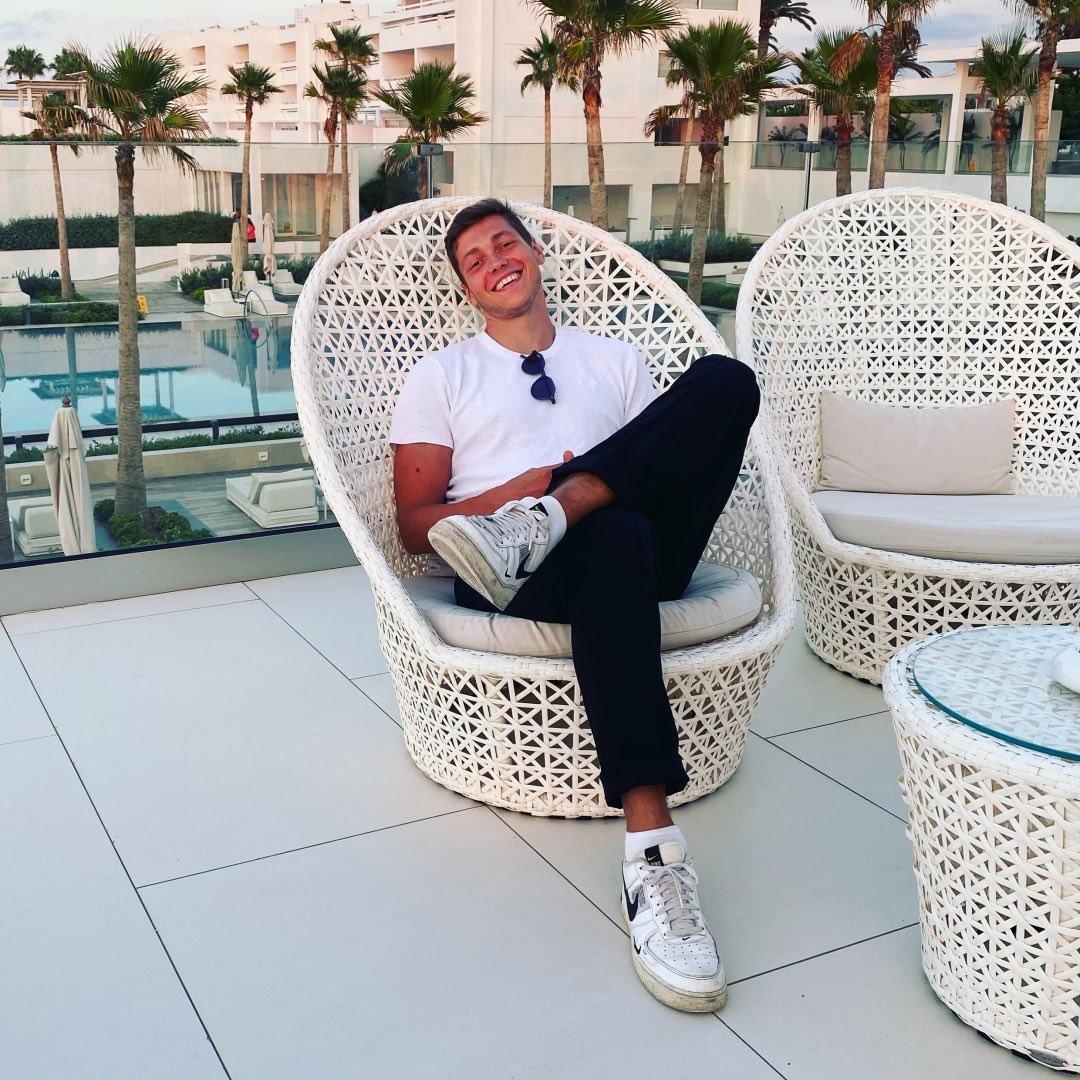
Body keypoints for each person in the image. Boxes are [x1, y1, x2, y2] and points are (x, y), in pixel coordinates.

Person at [389, 197, 760, 1013]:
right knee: (613, 533)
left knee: (727, 381)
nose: (495, 262)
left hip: (638, 546)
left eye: (505, 244)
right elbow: (415, 526)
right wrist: (516, 493)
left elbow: (660, 463)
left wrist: (561, 495)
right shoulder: (441, 376)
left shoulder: (615, 360)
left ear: (535, 252)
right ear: (467, 288)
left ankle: (559, 512)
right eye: (475, 260)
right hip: (509, 571)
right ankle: (654, 857)